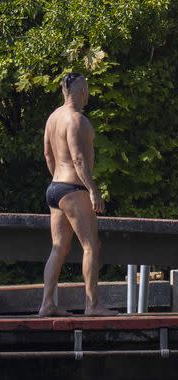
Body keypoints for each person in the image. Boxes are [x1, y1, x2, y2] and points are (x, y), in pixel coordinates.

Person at [38, 72, 117, 317]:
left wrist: (58, 180)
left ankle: (47, 303)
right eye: (88, 89)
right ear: (82, 92)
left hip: (55, 188)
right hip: (73, 189)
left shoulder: (53, 118)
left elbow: (48, 156)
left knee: (58, 247)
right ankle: (92, 305)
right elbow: (79, 159)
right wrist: (93, 191)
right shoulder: (77, 120)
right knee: (91, 245)